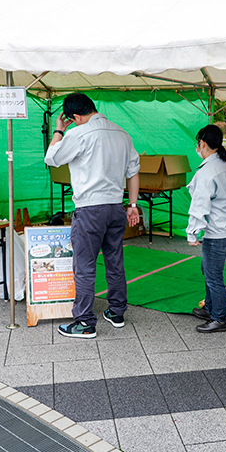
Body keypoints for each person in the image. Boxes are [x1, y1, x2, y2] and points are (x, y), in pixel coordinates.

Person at [44, 93, 141, 339]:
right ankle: (116, 311)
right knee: (114, 260)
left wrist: (58, 131)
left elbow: (51, 158)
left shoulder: (79, 133)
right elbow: (134, 172)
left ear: (75, 116)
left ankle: (85, 322)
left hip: (89, 209)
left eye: (73, 120)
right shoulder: (122, 134)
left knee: (85, 266)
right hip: (116, 207)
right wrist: (132, 205)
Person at [187, 125, 226, 333]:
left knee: (213, 276)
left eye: (198, 144)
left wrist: (192, 232)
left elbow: (200, 205)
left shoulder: (207, 172)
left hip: (218, 232)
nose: (197, 147)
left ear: (202, 143)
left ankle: (219, 318)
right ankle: (209, 308)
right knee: (208, 270)